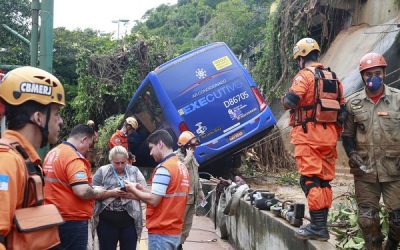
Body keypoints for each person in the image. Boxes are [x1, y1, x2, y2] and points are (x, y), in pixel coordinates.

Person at [281, 37, 345, 241]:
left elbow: (291, 101)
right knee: (324, 181)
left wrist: (285, 97)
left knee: (309, 180)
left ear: (301, 57)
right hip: (329, 138)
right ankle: (321, 225)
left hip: (308, 137)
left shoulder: (304, 76)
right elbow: (342, 111)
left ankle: (318, 227)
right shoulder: (334, 78)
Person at [0, 66, 65, 250]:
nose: (60, 121)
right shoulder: (7, 162)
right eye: (56, 114)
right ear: (38, 118)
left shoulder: (24, 159)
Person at [342, 52, 400, 250]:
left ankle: (392, 245)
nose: (372, 78)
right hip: (365, 171)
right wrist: (351, 153)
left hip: (395, 170)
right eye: (368, 74)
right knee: (367, 220)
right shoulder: (353, 103)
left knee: (399, 221)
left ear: (384, 73)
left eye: (377, 73)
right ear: (362, 77)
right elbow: (347, 135)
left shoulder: (398, 99)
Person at [43, 124, 115, 250]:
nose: (89, 149)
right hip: (72, 221)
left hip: (52, 217)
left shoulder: (53, 152)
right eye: (90, 145)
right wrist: (96, 191)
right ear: (84, 140)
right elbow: (82, 191)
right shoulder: (73, 158)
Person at [124, 129, 190, 250]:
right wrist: (143, 191)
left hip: (161, 231)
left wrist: (132, 189)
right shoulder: (180, 166)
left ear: (160, 144)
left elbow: (154, 200)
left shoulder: (164, 169)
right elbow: (167, 195)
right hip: (174, 230)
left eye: (151, 148)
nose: (150, 153)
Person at [92, 145, 146, 250]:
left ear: (127, 160)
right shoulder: (102, 172)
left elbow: (145, 193)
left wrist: (131, 195)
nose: (120, 166)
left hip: (130, 220)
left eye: (123, 162)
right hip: (106, 221)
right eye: (117, 163)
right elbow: (92, 193)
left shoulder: (134, 171)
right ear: (111, 160)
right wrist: (112, 193)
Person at [175, 131, 205, 249]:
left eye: (194, 146)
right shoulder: (176, 157)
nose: (194, 148)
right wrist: (187, 157)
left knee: (187, 224)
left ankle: (179, 244)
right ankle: (175, 245)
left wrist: (201, 191)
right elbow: (178, 172)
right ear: (185, 146)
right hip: (182, 199)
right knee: (178, 223)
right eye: (192, 146)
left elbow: (195, 176)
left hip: (192, 197)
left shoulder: (192, 157)